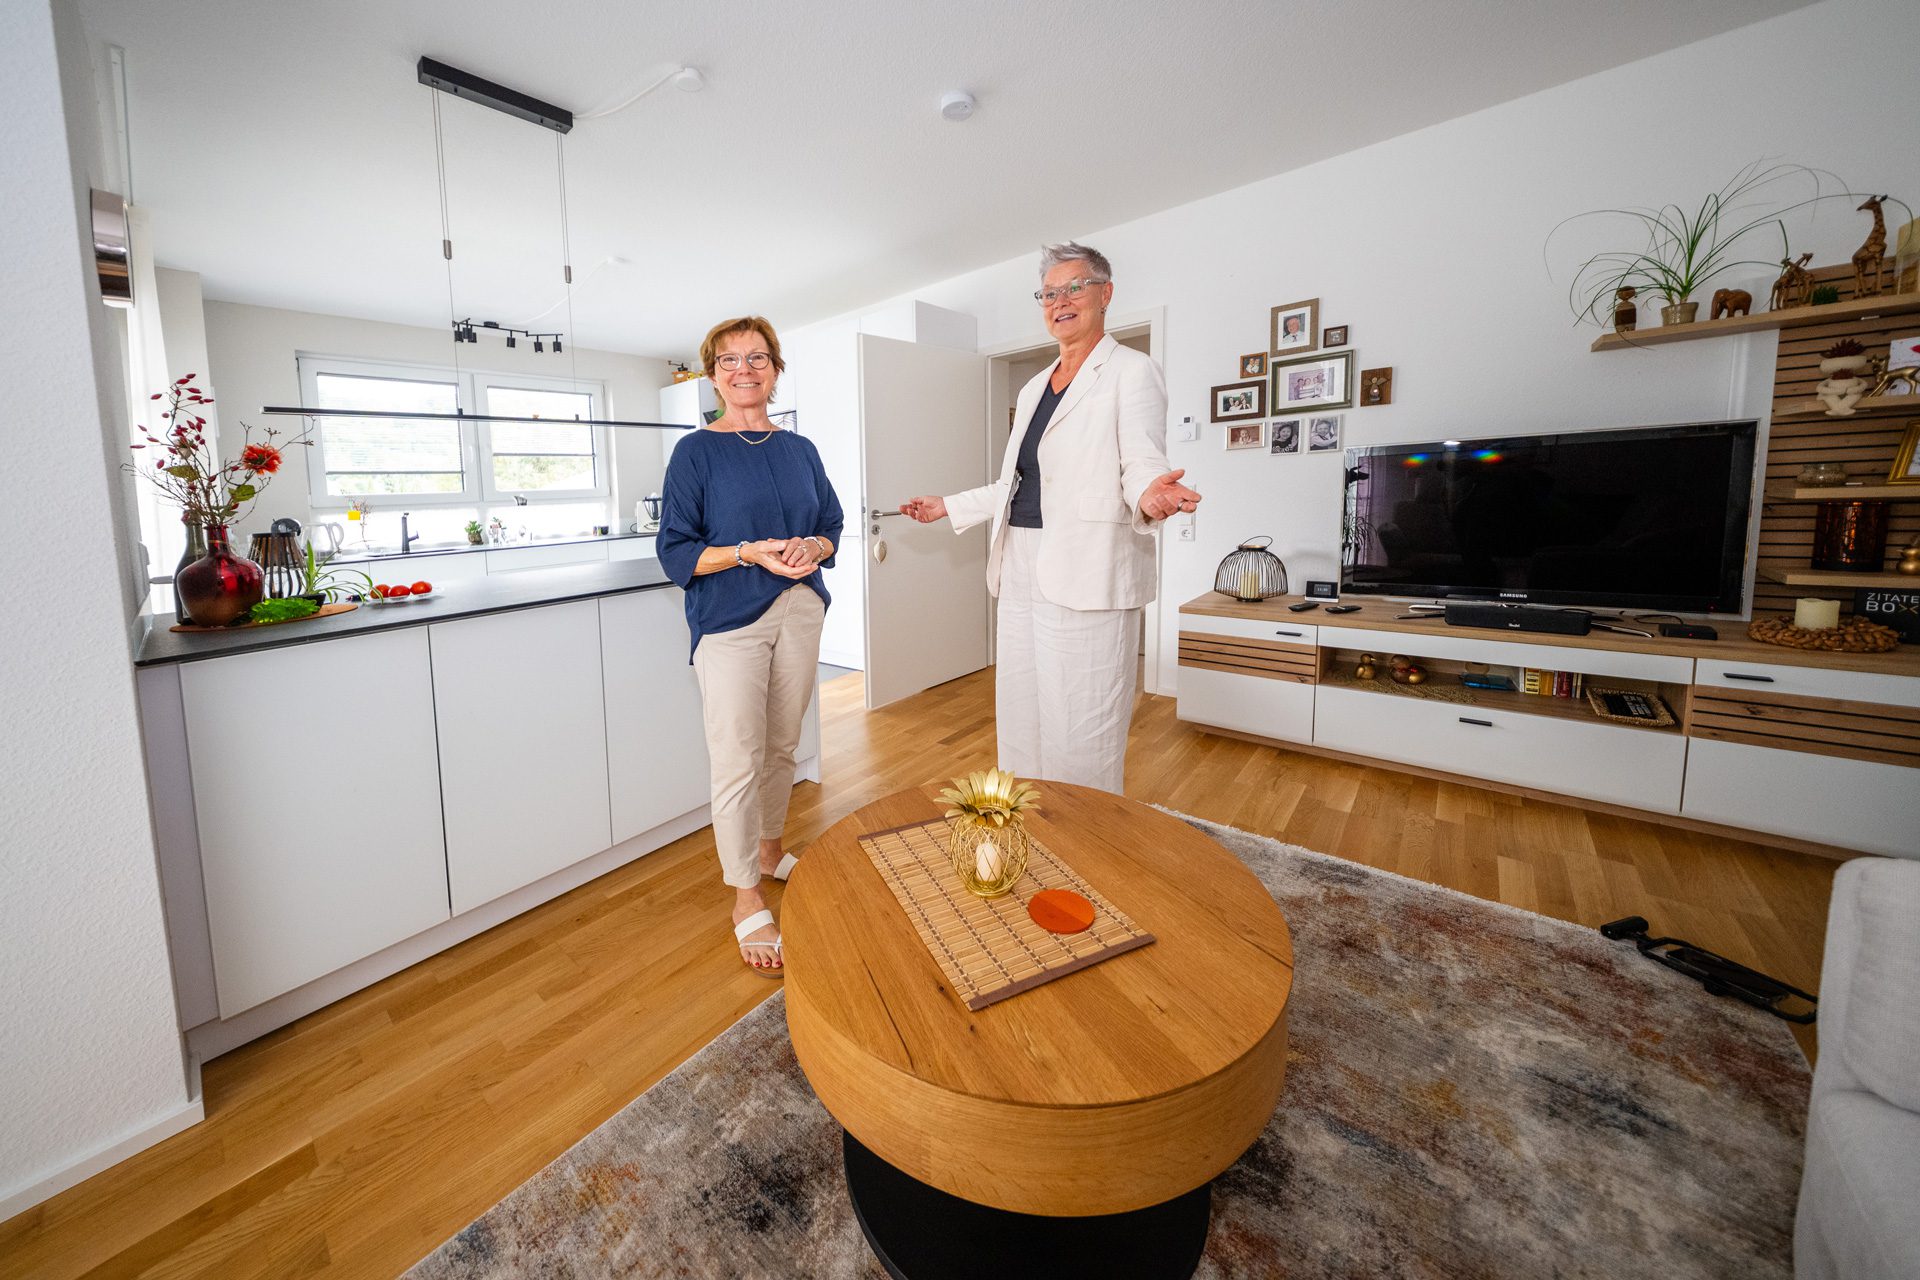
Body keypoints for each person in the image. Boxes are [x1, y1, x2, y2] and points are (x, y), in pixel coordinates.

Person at [901, 243, 1200, 794]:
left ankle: (1085, 840)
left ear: (1104, 295)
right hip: (1019, 562)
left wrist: (1150, 496)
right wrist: (948, 505)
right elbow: (1014, 484)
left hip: (1088, 566)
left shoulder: (1131, 372)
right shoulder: (1034, 386)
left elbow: (1141, 463)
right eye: (1049, 293)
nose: (1060, 301)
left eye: (1074, 288)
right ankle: (1030, 826)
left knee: (1083, 722)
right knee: (1021, 711)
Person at [657, 316, 843, 976]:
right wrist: (747, 552)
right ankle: (745, 896)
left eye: (757, 357)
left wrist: (812, 547)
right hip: (730, 620)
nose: (745, 369)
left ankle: (769, 851)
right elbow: (674, 551)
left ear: (774, 368)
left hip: (799, 610)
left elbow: (831, 523)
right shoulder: (695, 454)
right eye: (730, 360)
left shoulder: (800, 451)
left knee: (783, 744)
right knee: (738, 755)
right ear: (712, 375)